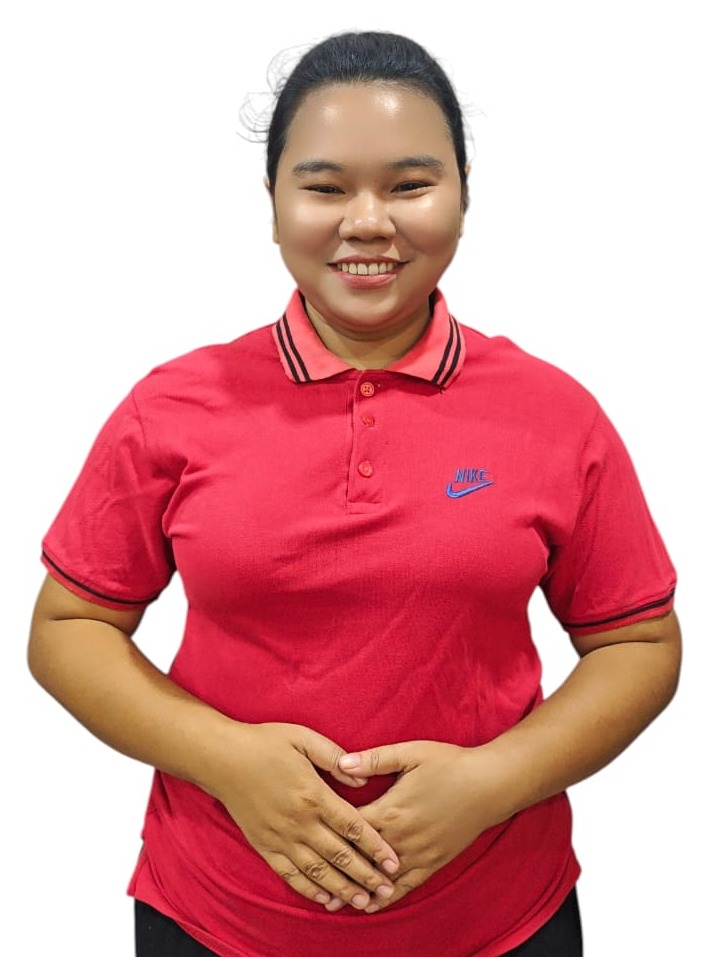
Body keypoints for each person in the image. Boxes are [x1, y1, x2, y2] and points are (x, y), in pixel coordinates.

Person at [27, 29, 680, 957]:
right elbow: (68, 626)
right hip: (215, 918)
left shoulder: (554, 413)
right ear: (272, 200)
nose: (367, 222)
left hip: (499, 922)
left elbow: (637, 641)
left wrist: (492, 781)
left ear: (463, 194)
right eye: (325, 187)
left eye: (409, 185)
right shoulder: (171, 407)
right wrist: (229, 761)